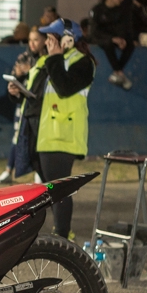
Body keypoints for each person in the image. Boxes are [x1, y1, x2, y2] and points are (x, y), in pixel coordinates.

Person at [33, 18, 95, 239]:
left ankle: (62, 235)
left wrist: (55, 58)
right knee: (52, 190)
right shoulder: (50, 60)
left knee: (58, 190)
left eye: (52, 37)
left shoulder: (83, 63)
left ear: (68, 40)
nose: (47, 41)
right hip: (46, 133)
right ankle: (61, 232)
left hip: (64, 135)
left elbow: (65, 87)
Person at [0, 27, 45, 184]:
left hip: (42, 107)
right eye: (30, 40)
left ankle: (39, 172)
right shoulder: (24, 57)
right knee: (18, 136)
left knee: (38, 139)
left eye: (36, 40)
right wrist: (17, 78)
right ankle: (8, 170)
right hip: (24, 105)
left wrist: (29, 72)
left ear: (45, 41)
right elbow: (14, 80)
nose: (32, 43)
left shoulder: (47, 59)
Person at [88, 0, 135, 89]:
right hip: (100, 38)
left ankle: (117, 72)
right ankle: (119, 72)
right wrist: (111, 38)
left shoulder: (121, 11)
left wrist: (122, 39)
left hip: (116, 39)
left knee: (130, 45)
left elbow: (124, 28)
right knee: (107, 44)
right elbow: (94, 31)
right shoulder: (97, 10)